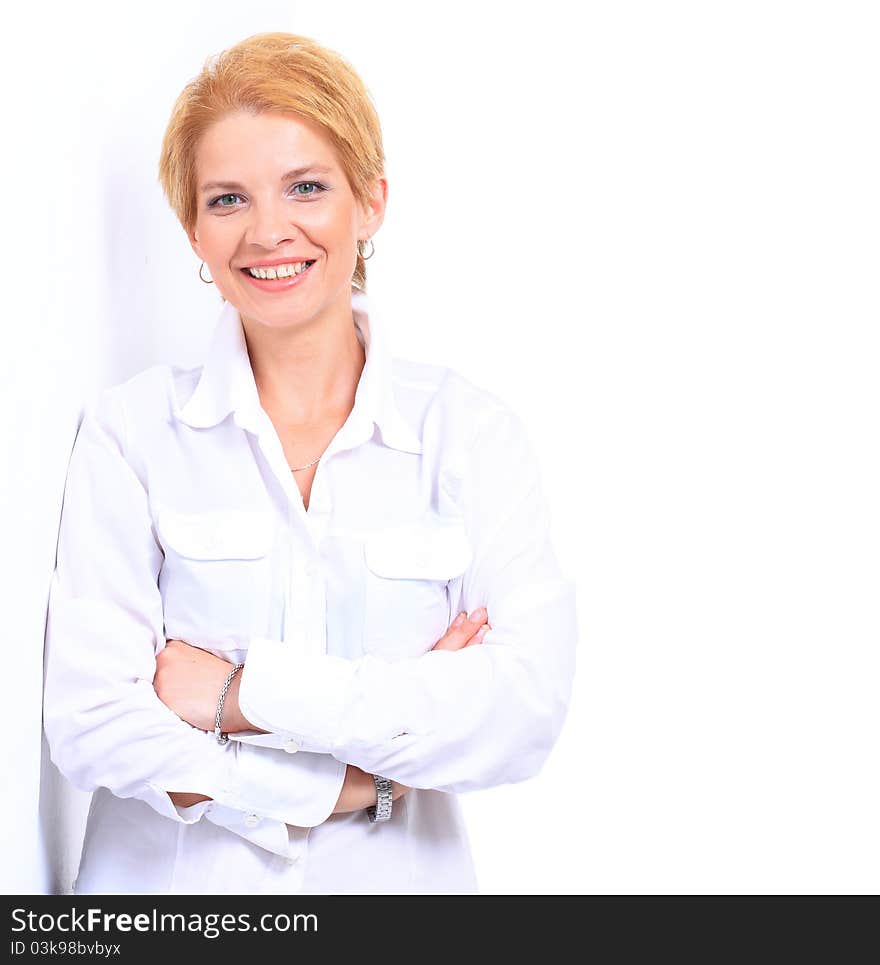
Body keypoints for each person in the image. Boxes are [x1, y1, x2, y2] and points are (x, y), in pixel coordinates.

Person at [42, 31, 578, 895]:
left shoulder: (469, 437)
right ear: (193, 230)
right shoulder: (132, 435)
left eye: (306, 187)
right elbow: (93, 721)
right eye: (226, 199)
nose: (267, 231)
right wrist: (349, 782)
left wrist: (243, 695)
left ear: (370, 203)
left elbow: (519, 717)